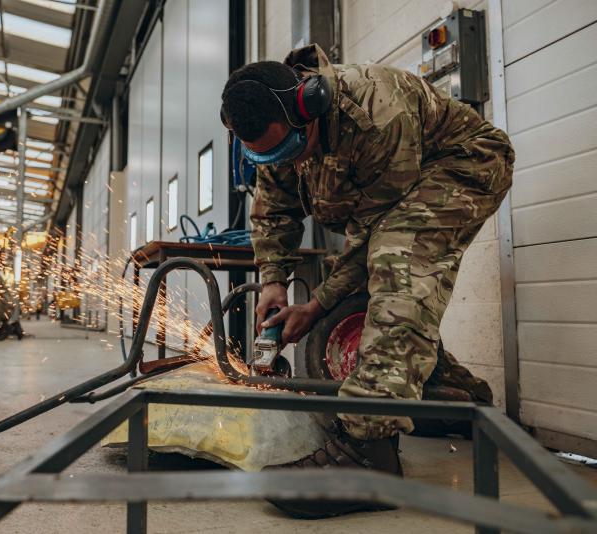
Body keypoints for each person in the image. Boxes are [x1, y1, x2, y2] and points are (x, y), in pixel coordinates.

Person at [220, 44, 513, 518]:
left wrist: (315, 304)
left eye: (289, 148)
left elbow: (378, 236)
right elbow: (274, 207)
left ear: (308, 105)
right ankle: (457, 401)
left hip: (465, 164)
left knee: (398, 262)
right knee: (369, 295)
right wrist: (273, 278)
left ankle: (367, 453)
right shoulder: (271, 132)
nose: (284, 160)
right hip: (390, 200)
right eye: (267, 155)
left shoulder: (377, 111)